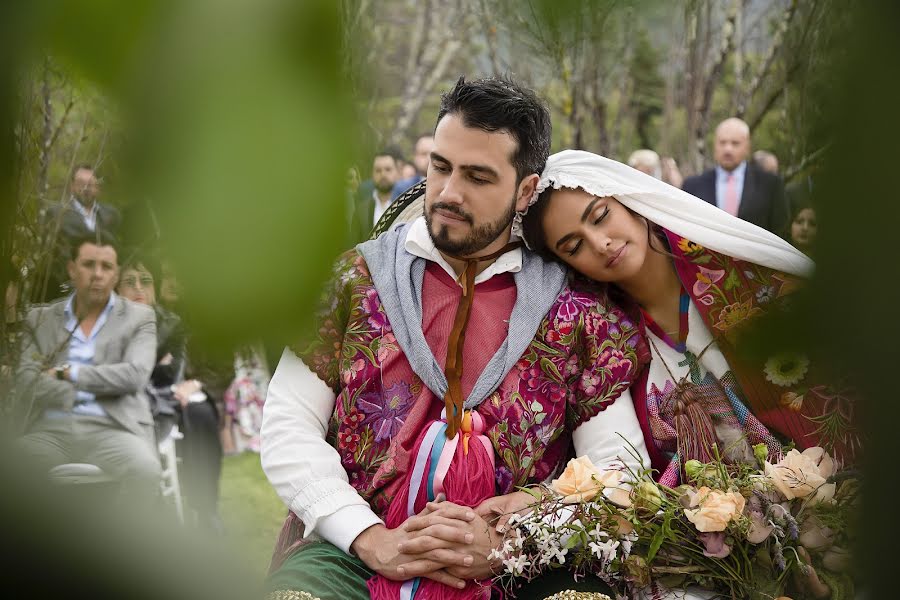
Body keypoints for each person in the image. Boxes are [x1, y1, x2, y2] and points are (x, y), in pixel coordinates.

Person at [260, 76, 648, 600]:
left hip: (520, 565)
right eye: (440, 166)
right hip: (357, 555)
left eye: (478, 177)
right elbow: (288, 426)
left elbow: (619, 465)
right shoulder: (353, 283)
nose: (448, 193)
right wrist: (370, 537)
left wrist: (516, 537)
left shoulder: (575, 311)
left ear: (525, 191)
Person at [519, 150, 857, 600]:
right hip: (712, 546)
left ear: (628, 199)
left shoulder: (738, 275)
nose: (600, 243)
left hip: (826, 504)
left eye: (600, 216)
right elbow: (620, 471)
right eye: (574, 245)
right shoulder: (603, 338)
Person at [14, 232, 161, 501]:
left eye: (106, 267)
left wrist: (67, 373)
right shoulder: (40, 320)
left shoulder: (139, 318)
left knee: (146, 470)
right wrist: (94, 389)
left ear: (115, 275)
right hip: (51, 431)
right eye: (88, 264)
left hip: (113, 428)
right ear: (72, 269)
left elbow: (134, 375)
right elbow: (26, 378)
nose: (97, 274)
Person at [116, 255, 224, 530]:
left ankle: (205, 507)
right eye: (129, 282)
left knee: (201, 412)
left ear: (154, 287)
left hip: (162, 397)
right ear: (116, 289)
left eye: (146, 281)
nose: (138, 287)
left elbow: (170, 373)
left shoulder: (170, 323)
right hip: (121, 401)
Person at [682, 118, 789, 235]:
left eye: (735, 143)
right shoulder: (692, 186)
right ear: (715, 146)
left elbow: (781, 231)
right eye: (722, 142)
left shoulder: (770, 185)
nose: (728, 149)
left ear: (747, 147)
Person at [40, 165, 122, 301]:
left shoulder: (112, 214)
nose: (86, 188)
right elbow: (50, 256)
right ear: (72, 186)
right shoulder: (57, 214)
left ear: (98, 187)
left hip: (108, 287)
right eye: (81, 183)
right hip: (68, 289)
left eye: (90, 184)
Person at [350, 150, 402, 244]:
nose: (383, 174)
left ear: (397, 173)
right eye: (378, 170)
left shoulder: (405, 205)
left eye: (388, 169)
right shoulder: (361, 210)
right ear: (372, 175)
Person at [390, 134, 435, 200]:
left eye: (433, 154)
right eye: (423, 154)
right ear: (415, 157)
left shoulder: (448, 186)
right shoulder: (402, 188)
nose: (429, 158)